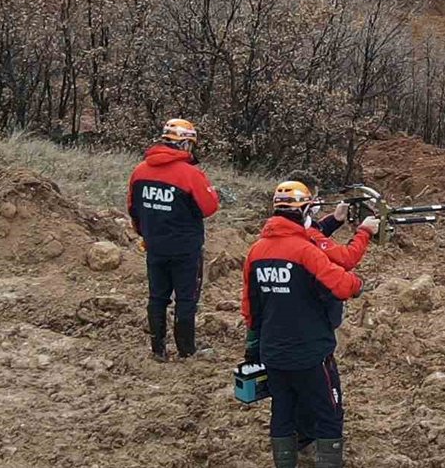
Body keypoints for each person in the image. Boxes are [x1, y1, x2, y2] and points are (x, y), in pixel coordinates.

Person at [242, 181, 380, 468]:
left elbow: (250, 306)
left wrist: (254, 345)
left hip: (273, 350)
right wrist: (358, 285)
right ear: (303, 209)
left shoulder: (256, 251)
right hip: (311, 352)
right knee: (329, 413)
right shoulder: (305, 251)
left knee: (282, 410)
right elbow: (342, 284)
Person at [127, 119, 220, 361]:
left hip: (155, 245)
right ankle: (186, 350)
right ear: (186, 144)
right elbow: (210, 207)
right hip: (186, 248)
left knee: (157, 297)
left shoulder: (139, 171)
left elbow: (133, 208)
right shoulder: (190, 174)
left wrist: (144, 233)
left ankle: (158, 349)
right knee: (186, 298)